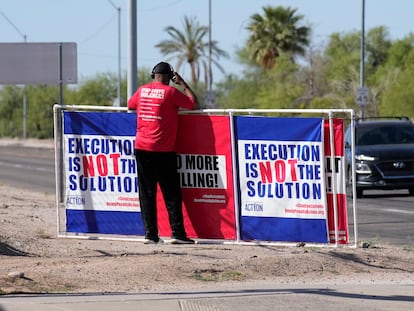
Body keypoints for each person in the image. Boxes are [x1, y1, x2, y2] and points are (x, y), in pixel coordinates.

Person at [128, 61, 199, 244]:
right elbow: (193, 103)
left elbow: (130, 105)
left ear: (154, 75)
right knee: (171, 193)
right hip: (163, 150)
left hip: (142, 148)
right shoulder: (171, 92)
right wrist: (183, 84)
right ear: (169, 77)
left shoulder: (142, 90)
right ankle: (177, 233)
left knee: (146, 193)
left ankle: (150, 235)